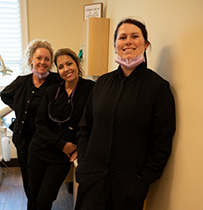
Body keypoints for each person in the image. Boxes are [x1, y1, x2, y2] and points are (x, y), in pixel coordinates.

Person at [75, 17, 176, 210]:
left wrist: (143, 180)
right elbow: (84, 126)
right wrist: (84, 164)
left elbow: (162, 141)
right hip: (92, 179)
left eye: (135, 36)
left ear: (145, 44)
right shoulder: (102, 83)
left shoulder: (158, 88)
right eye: (122, 37)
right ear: (115, 46)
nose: (128, 41)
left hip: (128, 186)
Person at [27, 48, 95, 210]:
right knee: (33, 197)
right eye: (61, 67)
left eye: (69, 64)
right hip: (39, 151)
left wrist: (82, 146)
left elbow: (94, 122)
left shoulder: (91, 89)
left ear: (78, 64)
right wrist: (61, 144)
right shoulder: (52, 91)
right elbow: (40, 124)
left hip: (60, 158)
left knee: (45, 200)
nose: (66, 69)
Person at [0, 39, 61, 198]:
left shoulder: (57, 81)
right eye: (39, 58)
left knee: (45, 183)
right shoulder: (22, 82)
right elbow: (4, 94)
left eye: (47, 59)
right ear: (31, 60)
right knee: (29, 179)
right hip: (24, 140)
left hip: (47, 140)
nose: (43, 62)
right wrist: (18, 106)